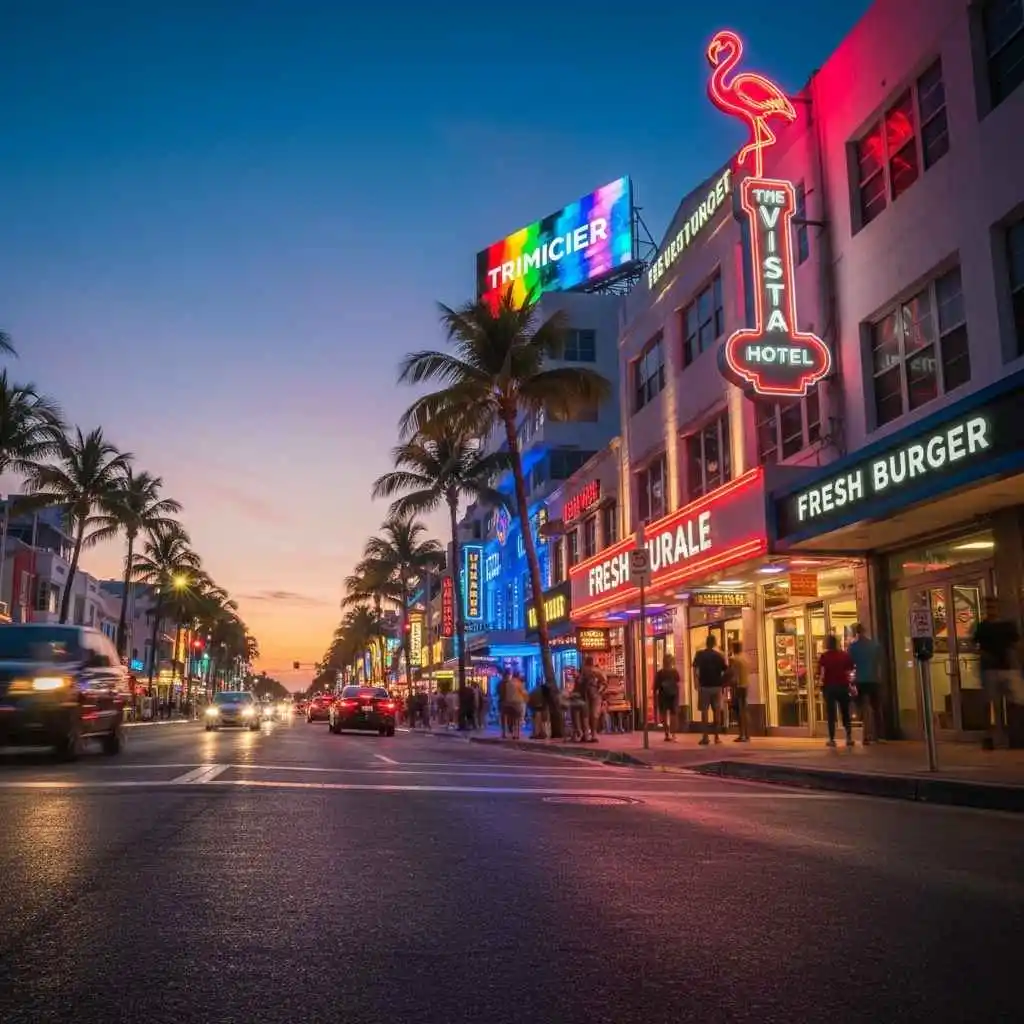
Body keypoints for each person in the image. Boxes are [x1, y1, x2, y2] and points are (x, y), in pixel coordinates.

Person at [973, 597, 1020, 750]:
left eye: (993, 606)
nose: (991, 610)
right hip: (990, 669)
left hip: (1007, 668)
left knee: (1015, 702)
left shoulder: (1007, 626)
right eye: (988, 607)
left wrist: (1016, 663)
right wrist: (983, 654)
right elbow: (976, 645)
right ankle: (989, 736)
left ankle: (1015, 736)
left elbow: (1016, 644)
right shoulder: (982, 627)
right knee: (990, 703)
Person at [818, 633, 855, 748]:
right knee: (845, 712)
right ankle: (849, 737)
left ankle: (832, 739)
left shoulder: (824, 657)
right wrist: (851, 685)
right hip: (843, 686)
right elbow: (849, 672)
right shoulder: (844, 655)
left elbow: (822, 674)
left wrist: (820, 684)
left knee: (831, 713)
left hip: (830, 687)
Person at [848, 623, 883, 744]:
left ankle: (866, 734)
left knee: (864, 707)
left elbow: (850, 664)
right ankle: (877, 735)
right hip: (874, 679)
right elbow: (879, 663)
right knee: (875, 708)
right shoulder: (874, 645)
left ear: (855, 632)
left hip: (861, 680)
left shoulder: (853, 647)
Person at [693, 634, 727, 746]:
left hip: (704, 686)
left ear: (706, 643)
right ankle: (717, 737)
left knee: (704, 711)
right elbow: (724, 670)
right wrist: (723, 683)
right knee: (717, 711)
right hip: (717, 686)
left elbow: (695, 669)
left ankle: (705, 737)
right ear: (714, 643)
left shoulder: (699, 654)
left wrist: (696, 682)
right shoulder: (719, 656)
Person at [653, 654, 681, 741]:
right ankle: (673, 734)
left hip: (663, 696)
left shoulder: (660, 673)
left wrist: (654, 698)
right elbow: (678, 682)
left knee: (664, 715)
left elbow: (655, 687)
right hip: (673, 696)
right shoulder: (674, 672)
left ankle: (666, 734)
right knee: (673, 715)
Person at [728, 641, 751, 742]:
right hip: (746, 685)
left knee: (739, 711)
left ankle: (741, 735)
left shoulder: (735, 659)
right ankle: (747, 734)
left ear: (734, 648)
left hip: (738, 687)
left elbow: (733, 675)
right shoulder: (746, 658)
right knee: (744, 710)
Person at [507, 672, 527, 740]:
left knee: (512, 719)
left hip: (510, 703)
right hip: (518, 702)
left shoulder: (509, 683)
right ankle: (517, 734)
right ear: (518, 676)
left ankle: (513, 734)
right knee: (518, 720)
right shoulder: (519, 684)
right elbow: (523, 692)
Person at [497, 670, 513, 738]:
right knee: (508, 717)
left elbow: (498, 692)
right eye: (510, 675)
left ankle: (505, 732)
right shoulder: (510, 684)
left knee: (505, 717)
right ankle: (507, 730)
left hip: (503, 702)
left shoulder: (500, 684)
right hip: (507, 702)